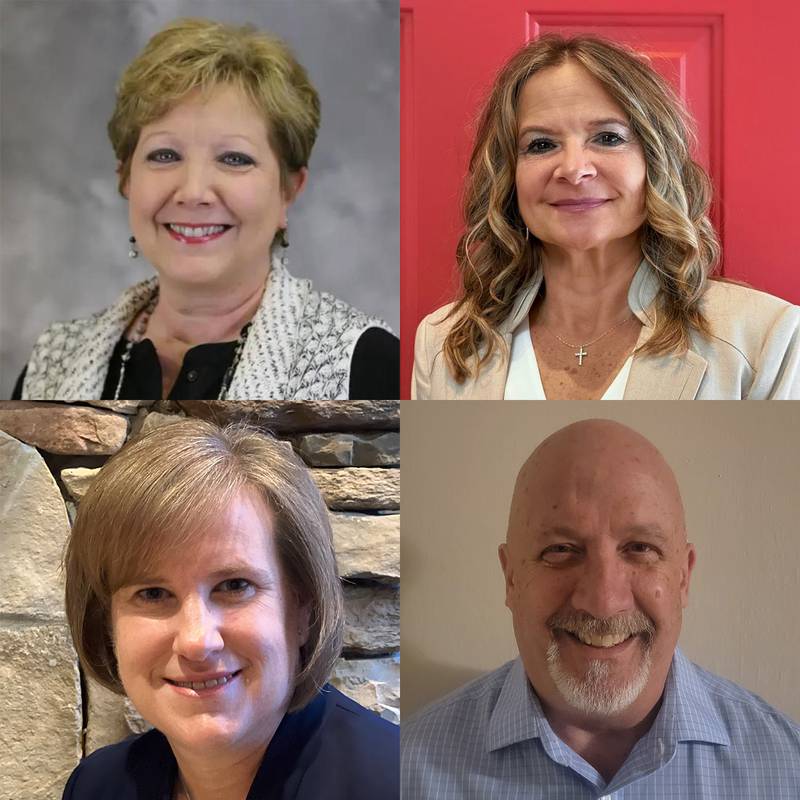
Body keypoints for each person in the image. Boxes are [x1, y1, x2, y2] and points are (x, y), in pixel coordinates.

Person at [401, 419, 800, 797]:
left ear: (683, 578)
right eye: (560, 550)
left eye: (640, 548)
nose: (604, 602)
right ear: (511, 579)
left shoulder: (787, 767)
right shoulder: (408, 769)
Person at [15, 18, 398, 401]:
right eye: (165, 155)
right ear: (126, 179)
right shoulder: (49, 368)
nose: (193, 192)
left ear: (288, 190)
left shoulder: (368, 368)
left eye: (234, 158)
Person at [412, 35, 800, 399]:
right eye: (541, 144)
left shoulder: (768, 338)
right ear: (508, 175)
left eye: (609, 138)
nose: (573, 169)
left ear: (655, 161)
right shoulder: (441, 342)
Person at [62, 419, 398, 799]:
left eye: (234, 586)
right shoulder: (95, 787)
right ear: (107, 622)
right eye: (153, 594)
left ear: (303, 608)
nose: (196, 642)